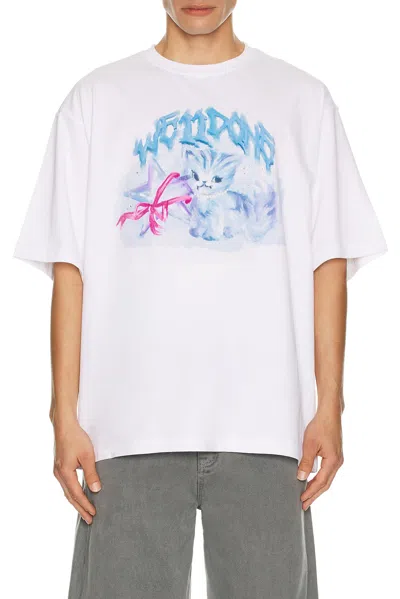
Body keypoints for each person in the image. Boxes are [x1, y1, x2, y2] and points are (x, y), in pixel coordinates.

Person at [14, 1, 387, 597]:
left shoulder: (303, 100)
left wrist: (330, 407)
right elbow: (70, 269)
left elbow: (329, 264)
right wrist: (63, 416)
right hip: (125, 429)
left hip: (268, 428)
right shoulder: (96, 100)